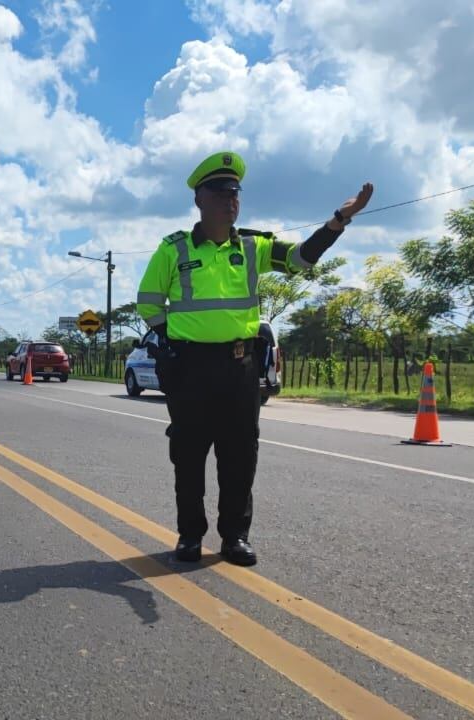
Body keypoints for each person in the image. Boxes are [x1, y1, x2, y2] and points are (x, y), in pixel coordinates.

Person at [136, 151, 373, 566]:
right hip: (190, 369)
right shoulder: (173, 251)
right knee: (189, 454)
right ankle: (190, 536)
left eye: (235, 192)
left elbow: (301, 259)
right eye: (221, 191)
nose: (231, 199)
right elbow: (148, 302)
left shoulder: (252, 246)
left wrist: (338, 220)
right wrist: (168, 339)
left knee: (240, 454)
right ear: (199, 199)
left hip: (238, 366)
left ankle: (235, 537)